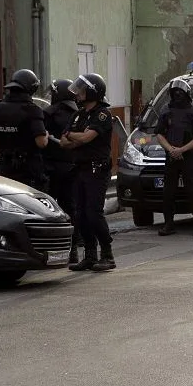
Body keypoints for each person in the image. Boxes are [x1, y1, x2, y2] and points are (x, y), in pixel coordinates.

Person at [60, 73, 117, 272]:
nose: (79, 93)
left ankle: (107, 254)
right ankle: (90, 256)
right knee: (80, 214)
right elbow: (63, 142)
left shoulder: (103, 114)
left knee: (94, 213)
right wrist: (74, 137)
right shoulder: (78, 114)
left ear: (93, 91)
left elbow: (86, 138)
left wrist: (73, 136)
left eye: (83, 90)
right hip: (80, 170)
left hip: (96, 170)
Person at [155, 79, 193, 237]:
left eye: (180, 92)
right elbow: (159, 134)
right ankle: (168, 224)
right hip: (171, 156)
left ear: (187, 94)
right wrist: (171, 149)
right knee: (168, 191)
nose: (177, 95)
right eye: (174, 93)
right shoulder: (166, 111)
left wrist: (182, 150)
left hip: (189, 157)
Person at [0, 69, 49, 191]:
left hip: (5, 167)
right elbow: (41, 142)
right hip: (28, 170)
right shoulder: (32, 110)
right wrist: (46, 134)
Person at [43, 79, 82, 262]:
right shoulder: (79, 114)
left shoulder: (48, 113)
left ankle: (50, 248)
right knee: (71, 208)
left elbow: (41, 140)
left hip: (51, 167)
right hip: (73, 167)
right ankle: (73, 249)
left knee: (48, 208)